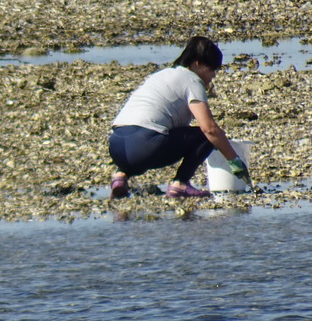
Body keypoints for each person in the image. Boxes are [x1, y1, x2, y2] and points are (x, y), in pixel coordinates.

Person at [108, 36, 251, 199]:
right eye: (213, 69)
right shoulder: (192, 80)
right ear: (197, 64)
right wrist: (234, 161)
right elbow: (209, 129)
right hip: (144, 147)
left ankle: (120, 177)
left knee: (147, 143)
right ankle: (180, 184)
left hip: (116, 146)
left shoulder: (161, 75)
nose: (214, 75)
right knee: (204, 136)